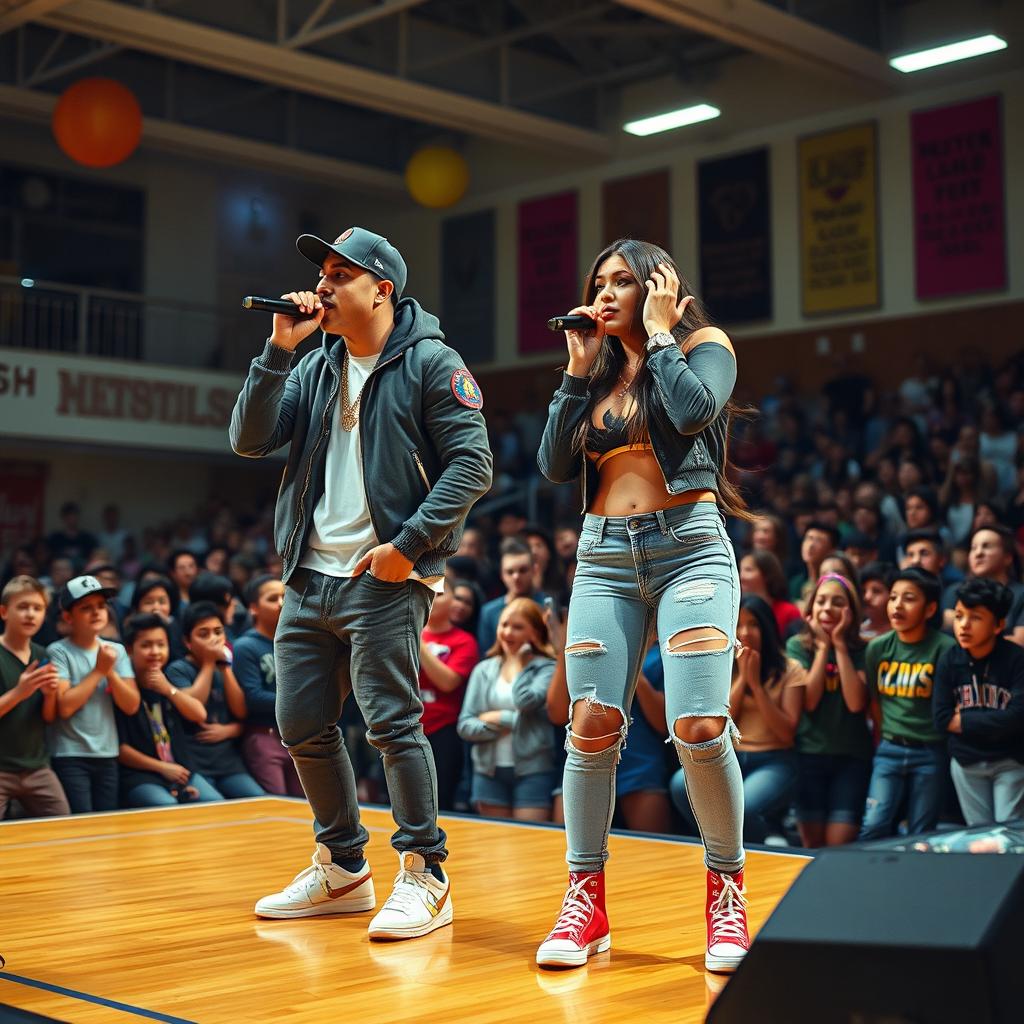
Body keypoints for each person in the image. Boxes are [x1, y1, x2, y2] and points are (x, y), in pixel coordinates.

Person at [230, 226, 491, 937]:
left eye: (340, 275)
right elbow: (249, 440)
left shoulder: (433, 363)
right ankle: (343, 867)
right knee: (301, 726)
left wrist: (408, 548)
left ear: (382, 289)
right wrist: (277, 351)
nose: (321, 286)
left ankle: (425, 874)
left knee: (391, 724)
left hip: (384, 576)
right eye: (321, 273)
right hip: (309, 577)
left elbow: (473, 467)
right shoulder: (313, 366)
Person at [535, 238, 749, 973]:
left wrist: (660, 334)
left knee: (697, 724)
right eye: (598, 281)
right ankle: (584, 901)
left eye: (623, 280)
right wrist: (574, 369)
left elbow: (692, 416)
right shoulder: (594, 371)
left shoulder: (701, 344)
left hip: (689, 545)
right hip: (602, 555)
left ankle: (726, 893)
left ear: (659, 285)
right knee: (591, 725)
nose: (605, 292)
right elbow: (555, 464)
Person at [674, 596, 805, 844]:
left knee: (746, 806)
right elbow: (720, 724)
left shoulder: (791, 669)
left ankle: (761, 844)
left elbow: (786, 733)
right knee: (681, 784)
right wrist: (743, 678)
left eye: (753, 624)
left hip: (773, 761)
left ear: (766, 627)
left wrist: (756, 686)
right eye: (739, 624)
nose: (745, 632)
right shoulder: (721, 667)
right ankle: (719, 845)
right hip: (729, 755)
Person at [859, 569, 955, 839]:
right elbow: (875, 703)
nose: (897, 605)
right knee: (873, 826)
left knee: (921, 834)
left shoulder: (945, 649)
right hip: (889, 748)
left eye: (909, 598)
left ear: (930, 608)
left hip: (930, 752)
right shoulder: (877, 648)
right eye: (893, 597)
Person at [786, 573, 870, 848]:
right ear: (811, 608)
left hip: (851, 758)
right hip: (809, 755)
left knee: (838, 844)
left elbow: (856, 703)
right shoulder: (797, 646)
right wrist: (823, 648)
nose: (827, 608)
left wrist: (840, 647)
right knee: (812, 846)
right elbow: (809, 701)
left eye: (837, 602)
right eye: (821, 601)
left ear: (851, 610)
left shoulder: (864, 648)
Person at [933, 579, 1024, 825]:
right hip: (966, 761)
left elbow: (1018, 717)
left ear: (999, 625)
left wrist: (964, 720)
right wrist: (996, 720)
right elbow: (941, 719)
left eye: (975, 618)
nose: (963, 625)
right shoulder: (949, 659)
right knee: (979, 834)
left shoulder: (1016, 660)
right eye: (960, 616)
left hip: (1010, 759)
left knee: (1009, 832)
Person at [47, 576, 140, 813]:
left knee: (106, 825)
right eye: (85, 608)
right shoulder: (59, 651)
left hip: (108, 754)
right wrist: (99, 670)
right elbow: (65, 707)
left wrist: (110, 672)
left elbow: (131, 705)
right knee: (81, 826)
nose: (96, 612)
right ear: (68, 617)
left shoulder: (116, 650)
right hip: (70, 754)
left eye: (101, 606)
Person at [457, 598, 555, 820]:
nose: (508, 632)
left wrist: (501, 717)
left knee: (529, 845)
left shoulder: (546, 668)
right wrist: (512, 723)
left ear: (535, 632)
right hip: (487, 772)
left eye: (518, 627)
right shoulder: (484, 669)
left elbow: (525, 701)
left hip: (534, 771)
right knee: (494, 845)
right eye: (504, 625)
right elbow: (465, 725)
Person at [116, 613, 222, 806]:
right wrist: (162, 768)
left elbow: (199, 714)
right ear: (130, 649)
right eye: (146, 645)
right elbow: (121, 750)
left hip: (181, 772)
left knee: (215, 804)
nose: (155, 651)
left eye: (161, 644)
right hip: (142, 775)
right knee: (167, 807)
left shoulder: (167, 680)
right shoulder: (123, 689)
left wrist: (168, 690)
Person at [166, 602, 263, 800]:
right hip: (194, 762)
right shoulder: (178, 670)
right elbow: (195, 708)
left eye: (218, 632)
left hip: (227, 762)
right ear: (187, 642)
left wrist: (225, 668)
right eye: (204, 634)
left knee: (256, 798)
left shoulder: (226, 668)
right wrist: (209, 663)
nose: (213, 639)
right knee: (215, 804)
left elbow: (241, 712)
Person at [0, 577, 69, 819]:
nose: (31, 614)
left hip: (37, 767)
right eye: (23, 607)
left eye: (38, 608)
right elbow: (19, 697)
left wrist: (50, 697)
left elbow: (48, 718)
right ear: (4, 612)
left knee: (64, 827)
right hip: (1, 768)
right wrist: (19, 693)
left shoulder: (43, 655)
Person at [233, 575, 302, 797]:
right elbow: (252, 697)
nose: (281, 603)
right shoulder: (246, 646)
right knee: (278, 806)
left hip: (299, 735)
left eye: (284, 596)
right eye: (273, 599)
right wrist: (300, 702)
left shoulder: (295, 641)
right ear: (253, 608)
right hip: (265, 737)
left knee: (307, 806)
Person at [419, 578, 479, 811]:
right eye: (429, 592)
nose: (433, 598)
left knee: (440, 800)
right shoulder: (406, 633)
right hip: (406, 727)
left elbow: (447, 682)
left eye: (440, 593)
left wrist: (418, 642)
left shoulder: (464, 642)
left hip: (443, 731)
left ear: (453, 600)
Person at [477, 541, 543, 653]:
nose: (516, 576)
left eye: (523, 570)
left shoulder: (546, 606)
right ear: (502, 575)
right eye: (510, 572)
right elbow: (486, 655)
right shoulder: (489, 612)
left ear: (534, 570)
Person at [738, 549, 802, 638]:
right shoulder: (737, 612)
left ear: (767, 575)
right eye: (740, 570)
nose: (741, 576)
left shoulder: (789, 612)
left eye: (748, 570)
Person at [788, 522, 840, 605]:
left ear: (832, 550)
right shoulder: (796, 583)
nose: (811, 545)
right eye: (809, 538)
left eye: (819, 541)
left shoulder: (835, 583)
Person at [859, 562, 895, 642]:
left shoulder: (902, 635)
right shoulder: (857, 633)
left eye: (876, 591)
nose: (867, 597)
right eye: (863, 591)